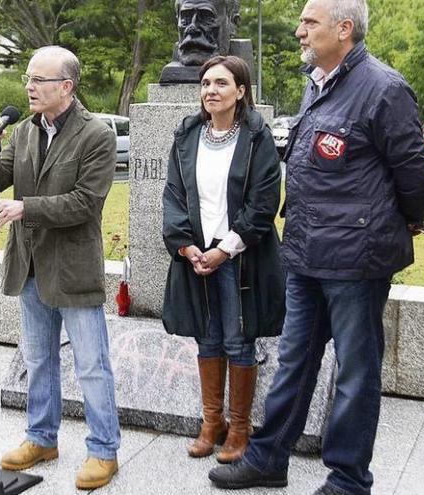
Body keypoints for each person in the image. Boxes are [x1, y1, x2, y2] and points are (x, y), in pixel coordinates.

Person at [208, 1, 424, 494]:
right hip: (307, 252)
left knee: (355, 371)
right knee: (295, 358)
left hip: (356, 258)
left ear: (344, 29)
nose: (298, 31)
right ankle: (269, 458)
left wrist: (409, 219)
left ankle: (349, 479)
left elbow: (414, 172)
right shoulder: (319, 83)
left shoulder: (384, 89)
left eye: (309, 23)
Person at [0, 46, 121, 490]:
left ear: (67, 86)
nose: (29, 87)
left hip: (73, 267)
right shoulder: (22, 131)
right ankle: (42, 438)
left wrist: (25, 208)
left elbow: (85, 203)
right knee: (38, 358)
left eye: (39, 80)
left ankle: (103, 449)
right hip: (31, 264)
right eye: (28, 79)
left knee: (91, 363)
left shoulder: (96, 135)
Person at [162, 55, 285, 465]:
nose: (210, 91)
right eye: (205, 84)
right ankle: (210, 423)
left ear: (241, 91)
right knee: (207, 337)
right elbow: (174, 195)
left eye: (220, 84)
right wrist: (185, 245)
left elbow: (263, 203)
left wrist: (224, 249)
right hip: (197, 255)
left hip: (239, 255)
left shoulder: (256, 137)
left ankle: (239, 428)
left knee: (239, 339)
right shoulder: (187, 135)